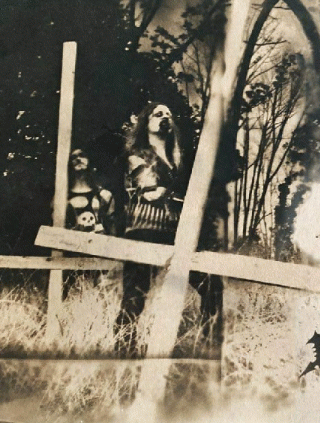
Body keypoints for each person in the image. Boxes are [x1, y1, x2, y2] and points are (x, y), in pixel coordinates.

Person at [114, 103, 223, 357]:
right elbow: (151, 191)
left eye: (168, 115)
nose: (165, 118)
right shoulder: (135, 155)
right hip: (143, 231)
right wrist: (177, 194)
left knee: (211, 285)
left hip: (175, 233)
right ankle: (124, 354)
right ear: (146, 123)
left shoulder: (177, 159)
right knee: (134, 297)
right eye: (158, 114)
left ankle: (206, 347)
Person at [63, 148, 116, 299]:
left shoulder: (103, 195)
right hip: (70, 249)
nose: (78, 159)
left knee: (100, 291)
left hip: (98, 250)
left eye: (82, 155)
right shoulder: (61, 196)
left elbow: (112, 225)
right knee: (68, 288)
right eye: (73, 157)